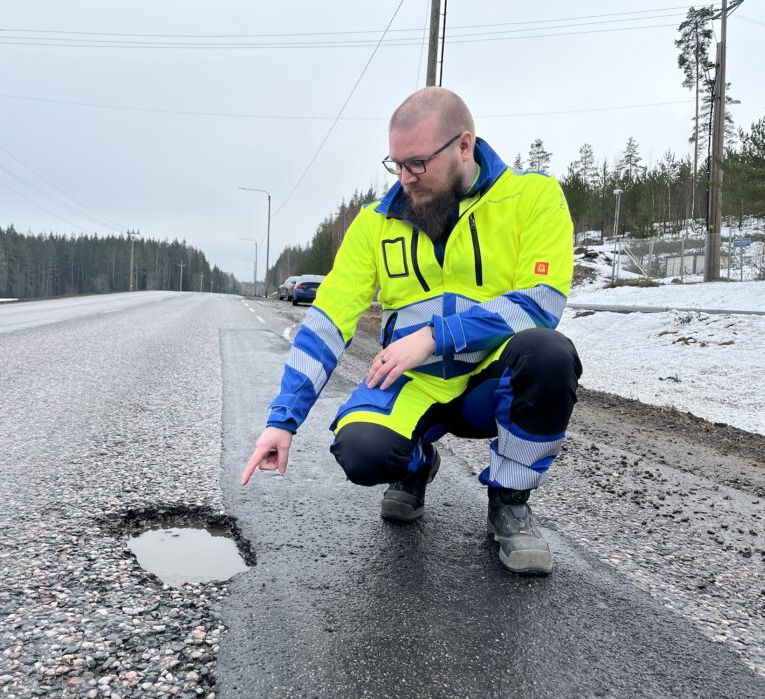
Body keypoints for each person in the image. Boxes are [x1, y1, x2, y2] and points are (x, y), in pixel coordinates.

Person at [242, 87, 582, 575]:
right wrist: (283, 419)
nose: (405, 178)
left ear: (464, 145)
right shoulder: (377, 221)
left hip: (490, 383)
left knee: (550, 355)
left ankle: (509, 500)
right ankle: (416, 464)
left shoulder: (532, 198)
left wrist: (437, 336)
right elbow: (328, 319)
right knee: (360, 452)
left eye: (418, 163)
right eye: (396, 164)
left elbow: (540, 303)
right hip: (415, 384)